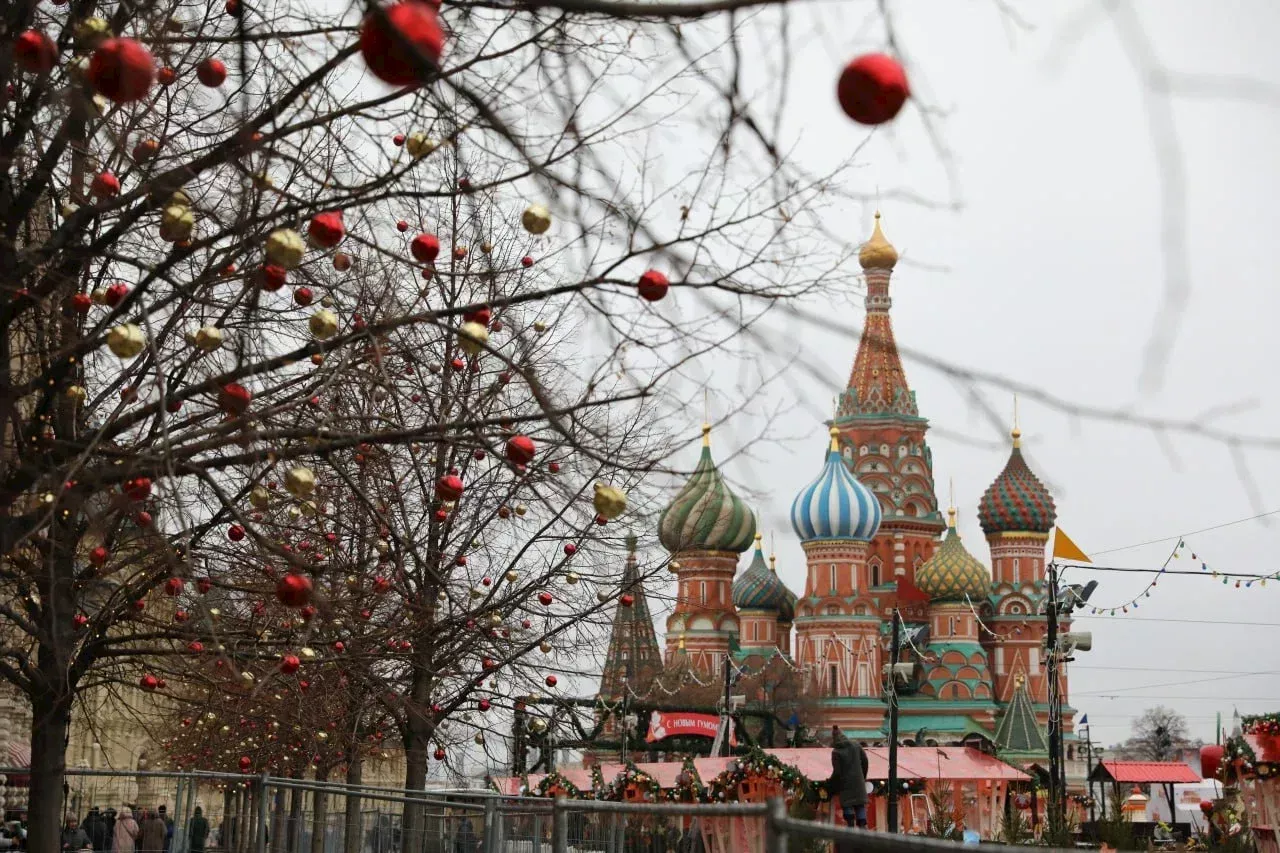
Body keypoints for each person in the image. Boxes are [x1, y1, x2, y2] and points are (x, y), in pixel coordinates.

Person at [828, 725, 870, 828]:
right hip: (858, 781)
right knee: (860, 805)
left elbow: (837, 772)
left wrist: (831, 783)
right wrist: (862, 776)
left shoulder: (836, 752)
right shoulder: (856, 745)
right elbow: (865, 761)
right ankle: (863, 828)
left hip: (845, 783)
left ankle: (850, 827)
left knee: (847, 804)